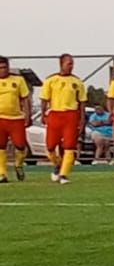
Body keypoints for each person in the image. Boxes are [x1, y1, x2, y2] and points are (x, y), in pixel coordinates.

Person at [40, 53, 87, 184]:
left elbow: (82, 102)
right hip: (55, 115)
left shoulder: (77, 82)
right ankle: (58, 164)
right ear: (61, 64)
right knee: (50, 146)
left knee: (69, 146)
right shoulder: (50, 80)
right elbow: (44, 99)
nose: (71, 66)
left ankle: (63, 175)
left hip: (71, 116)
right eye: (69, 63)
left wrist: (82, 119)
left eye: (72, 64)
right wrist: (43, 114)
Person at [0, 55, 30, 183]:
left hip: (16, 118)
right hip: (0, 118)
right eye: (0, 68)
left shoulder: (18, 80)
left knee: (20, 145)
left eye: (5, 67)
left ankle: (18, 164)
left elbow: (25, 98)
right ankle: (2, 173)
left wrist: (28, 115)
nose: (3, 70)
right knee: (1, 146)